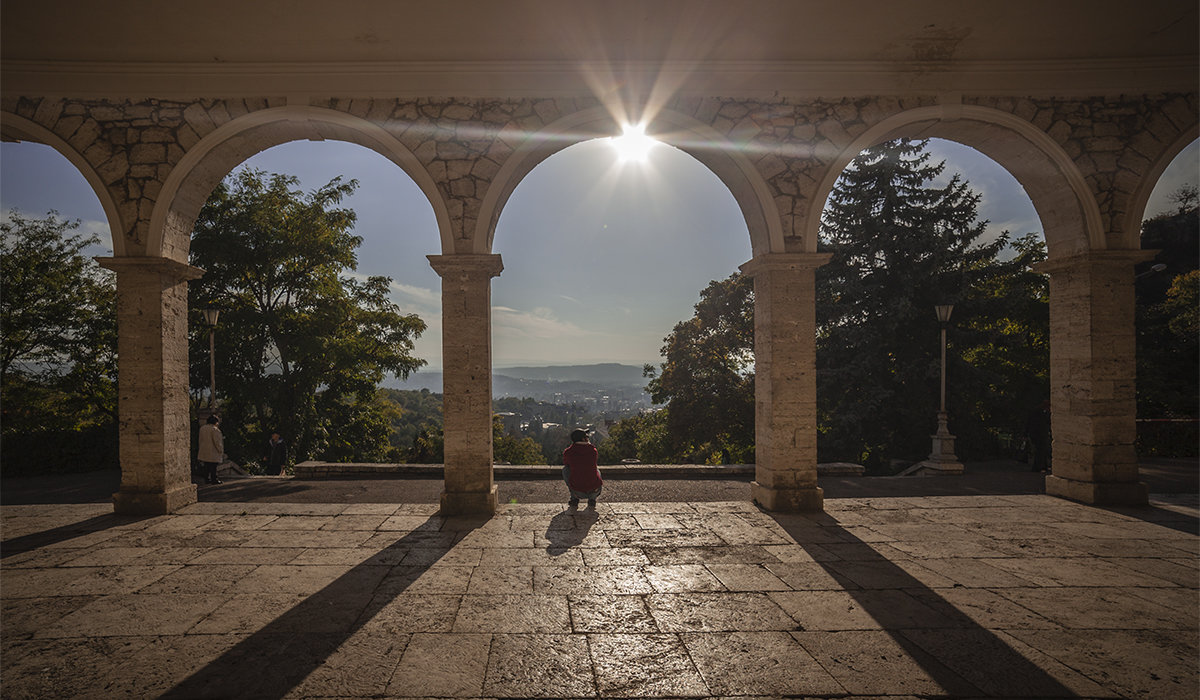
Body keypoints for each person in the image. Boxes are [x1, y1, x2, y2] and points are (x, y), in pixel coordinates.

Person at [562, 428, 603, 509]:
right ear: (584, 439)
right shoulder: (593, 451)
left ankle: (574, 498)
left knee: (566, 469)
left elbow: (566, 463)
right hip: (595, 490)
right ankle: (592, 499)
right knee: (596, 469)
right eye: (586, 437)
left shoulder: (568, 452)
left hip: (578, 491)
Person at [1025, 399, 1052, 473]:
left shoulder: (1036, 411)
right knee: (1040, 450)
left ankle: (1042, 466)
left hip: (1037, 433)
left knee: (1041, 450)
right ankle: (1038, 467)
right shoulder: (1041, 413)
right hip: (1039, 433)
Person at [197, 414, 224, 485]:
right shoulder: (215, 430)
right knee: (213, 466)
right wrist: (220, 450)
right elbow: (217, 442)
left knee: (207, 465)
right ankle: (214, 479)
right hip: (213, 450)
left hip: (204, 449)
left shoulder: (202, 428)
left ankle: (207, 479)